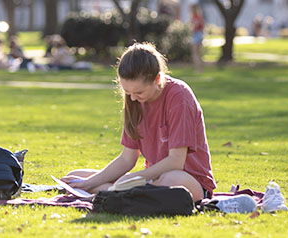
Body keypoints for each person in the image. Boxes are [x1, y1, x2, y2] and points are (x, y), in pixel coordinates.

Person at [62, 42, 215, 202]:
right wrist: (87, 184)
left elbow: (176, 161)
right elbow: (127, 159)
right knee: (75, 177)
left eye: (139, 92)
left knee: (172, 179)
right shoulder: (133, 101)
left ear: (157, 79)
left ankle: (111, 193)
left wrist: (133, 179)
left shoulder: (179, 97)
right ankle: (112, 192)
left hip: (189, 182)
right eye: (127, 92)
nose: (133, 98)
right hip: (150, 180)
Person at [189, 3, 204, 72]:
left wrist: (191, 30)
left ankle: (199, 69)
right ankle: (200, 68)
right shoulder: (200, 17)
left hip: (196, 35)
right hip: (200, 34)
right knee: (198, 53)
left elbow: (194, 27)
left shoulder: (195, 17)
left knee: (195, 53)